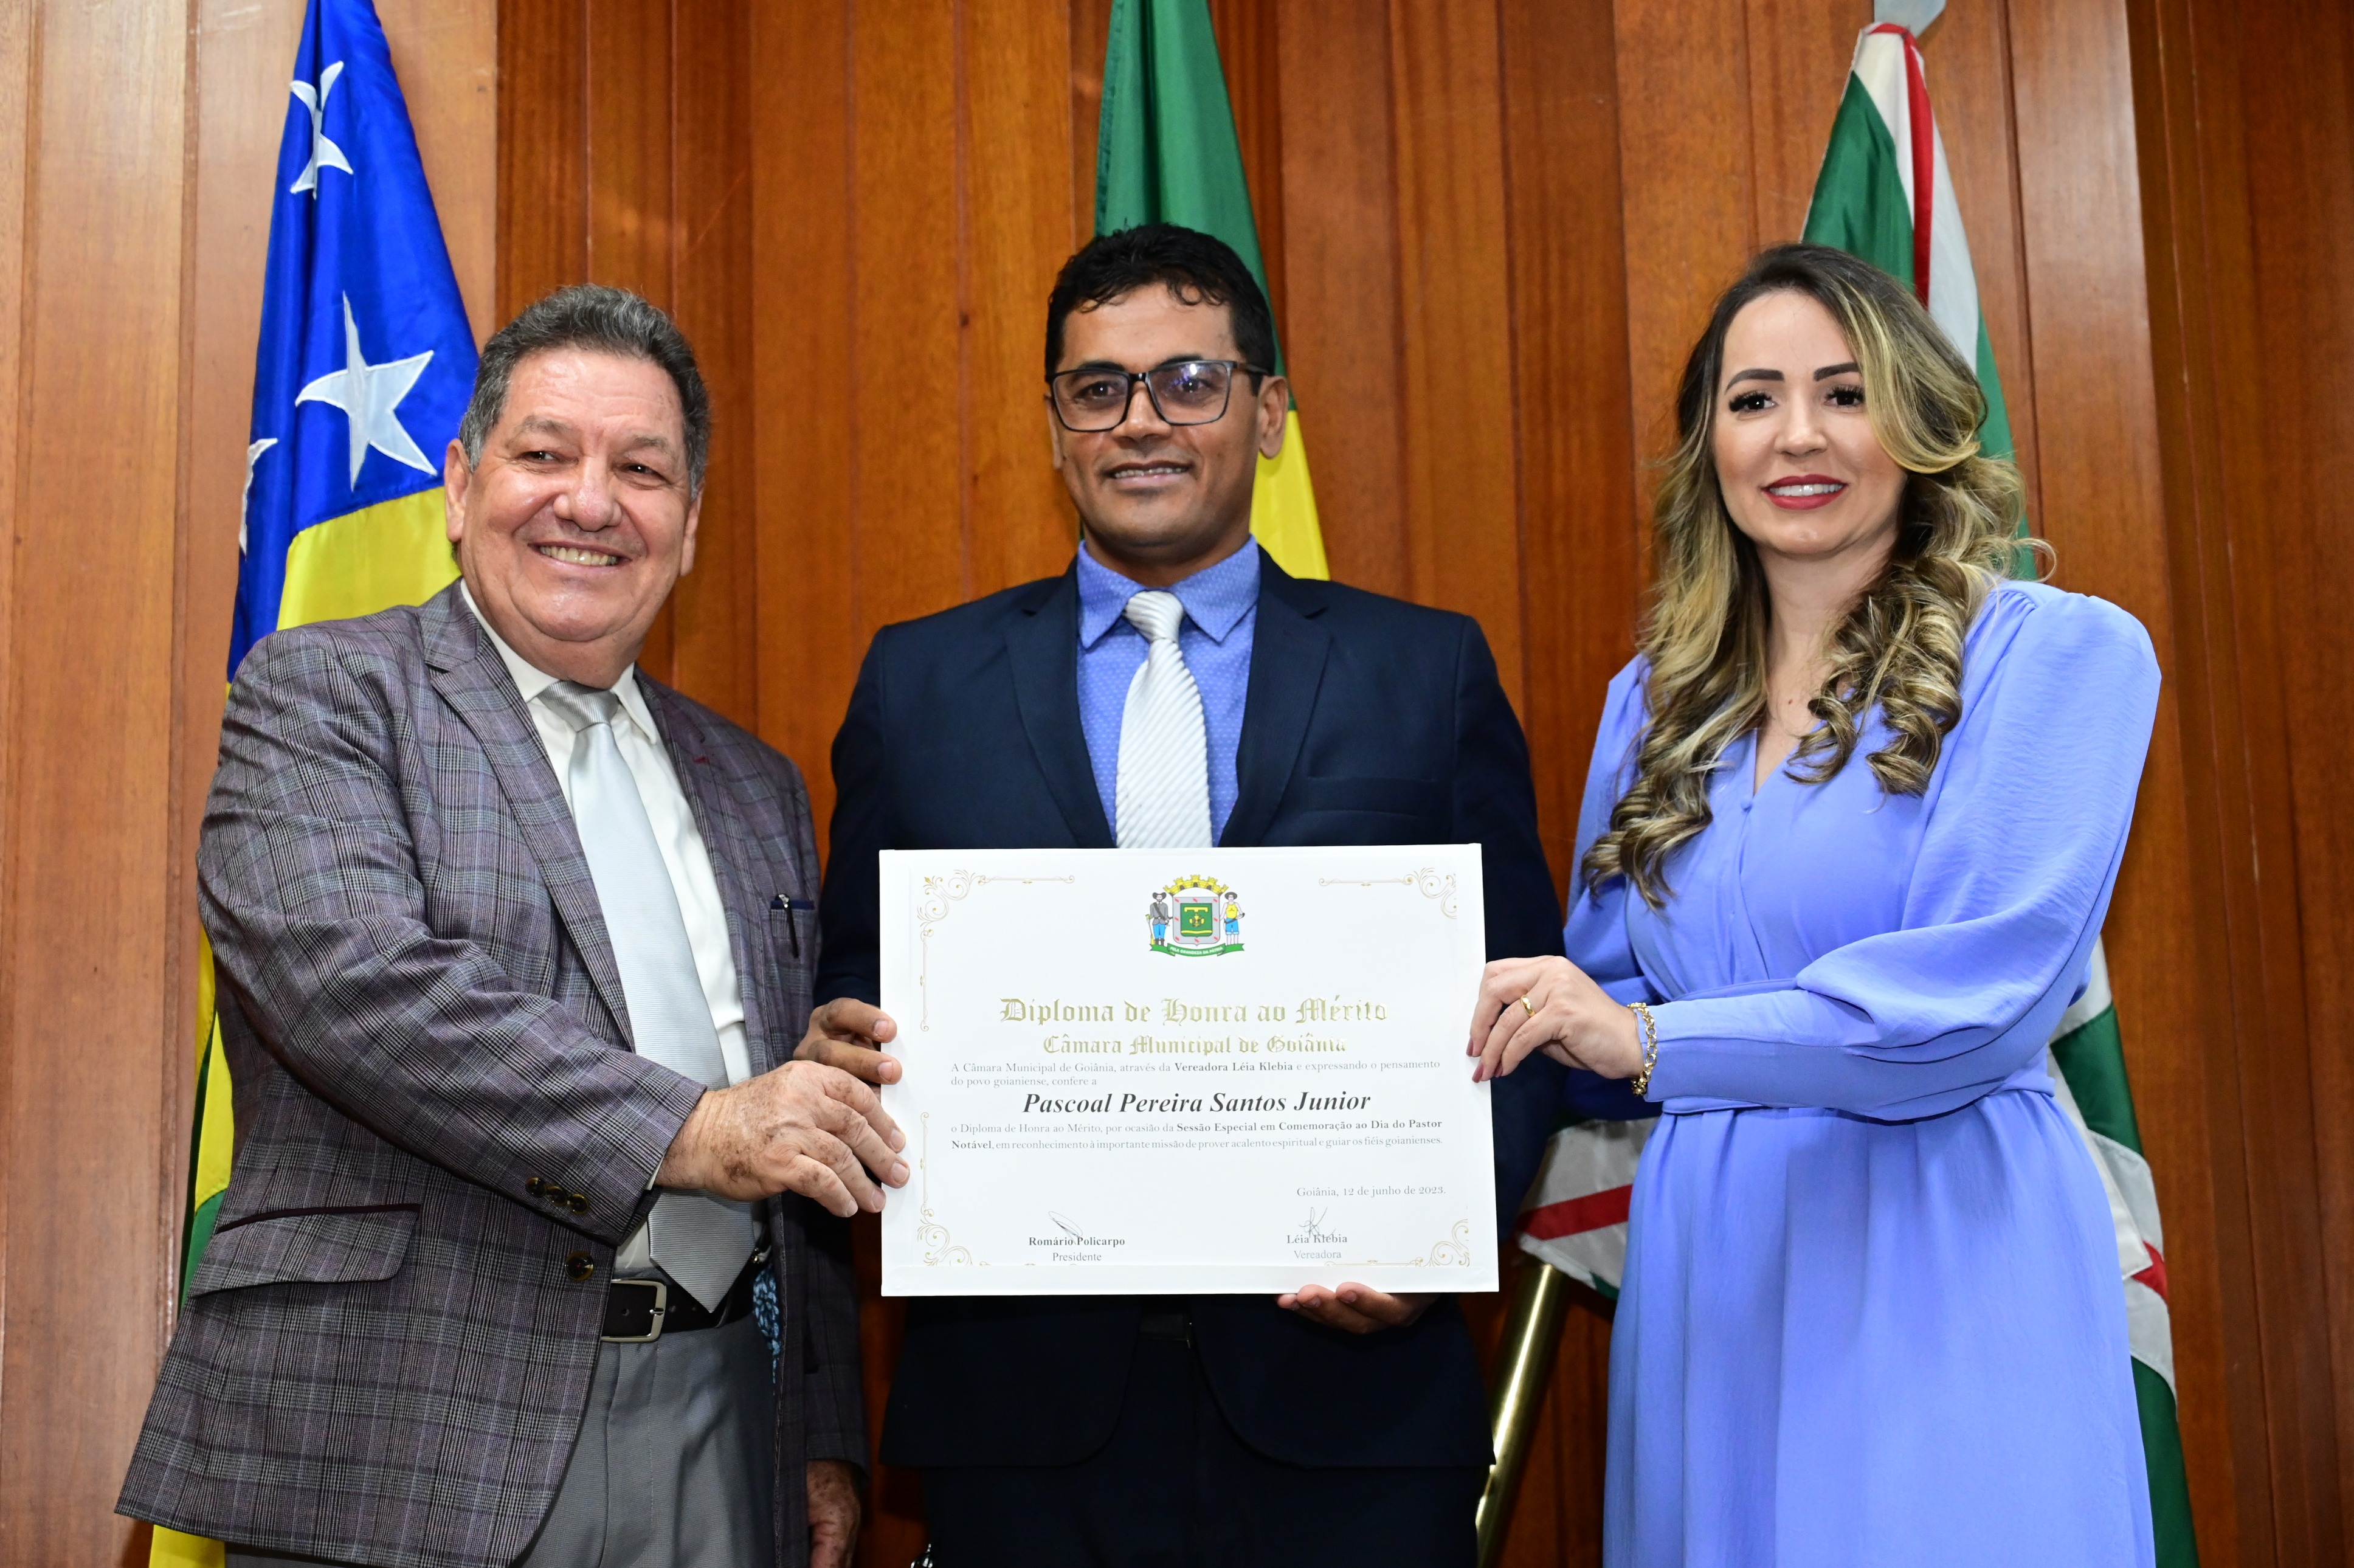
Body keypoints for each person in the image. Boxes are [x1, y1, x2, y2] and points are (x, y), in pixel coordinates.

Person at [797, 223, 1566, 1566]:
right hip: (1021, 1416)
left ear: (1268, 414)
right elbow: (856, 987)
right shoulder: (918, 684)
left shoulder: (1424, 672)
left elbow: (1529, 1007)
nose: (1141, 422)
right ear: (1056, 426)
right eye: (1098, 389)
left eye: (1190, 383)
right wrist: (845, 1051)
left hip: (1352, 1410)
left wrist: (1433, 1243)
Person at [119, 286, 907, 1568]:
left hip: (721, 1419)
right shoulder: (322, 695)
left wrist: (819, 1430)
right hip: (410, 1429)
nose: (590, 502)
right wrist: (702, 1126)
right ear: (459, 485)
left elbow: (786, 1132)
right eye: (545, 454)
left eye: (641, 470)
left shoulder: (755, 783)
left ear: (689, 525)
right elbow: (359, 989)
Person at [1468, 244, 2161, 1567]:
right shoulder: (1652, 705)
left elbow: (1974, 1002)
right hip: (1711, 1273)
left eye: (1845, 394)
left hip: (1944, 1239)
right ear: (1708, 447)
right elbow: (1599, 1010)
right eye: (1754, 400)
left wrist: (1650, 1041)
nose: (1798, 436)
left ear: (1919, 423)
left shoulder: (2056, 652)